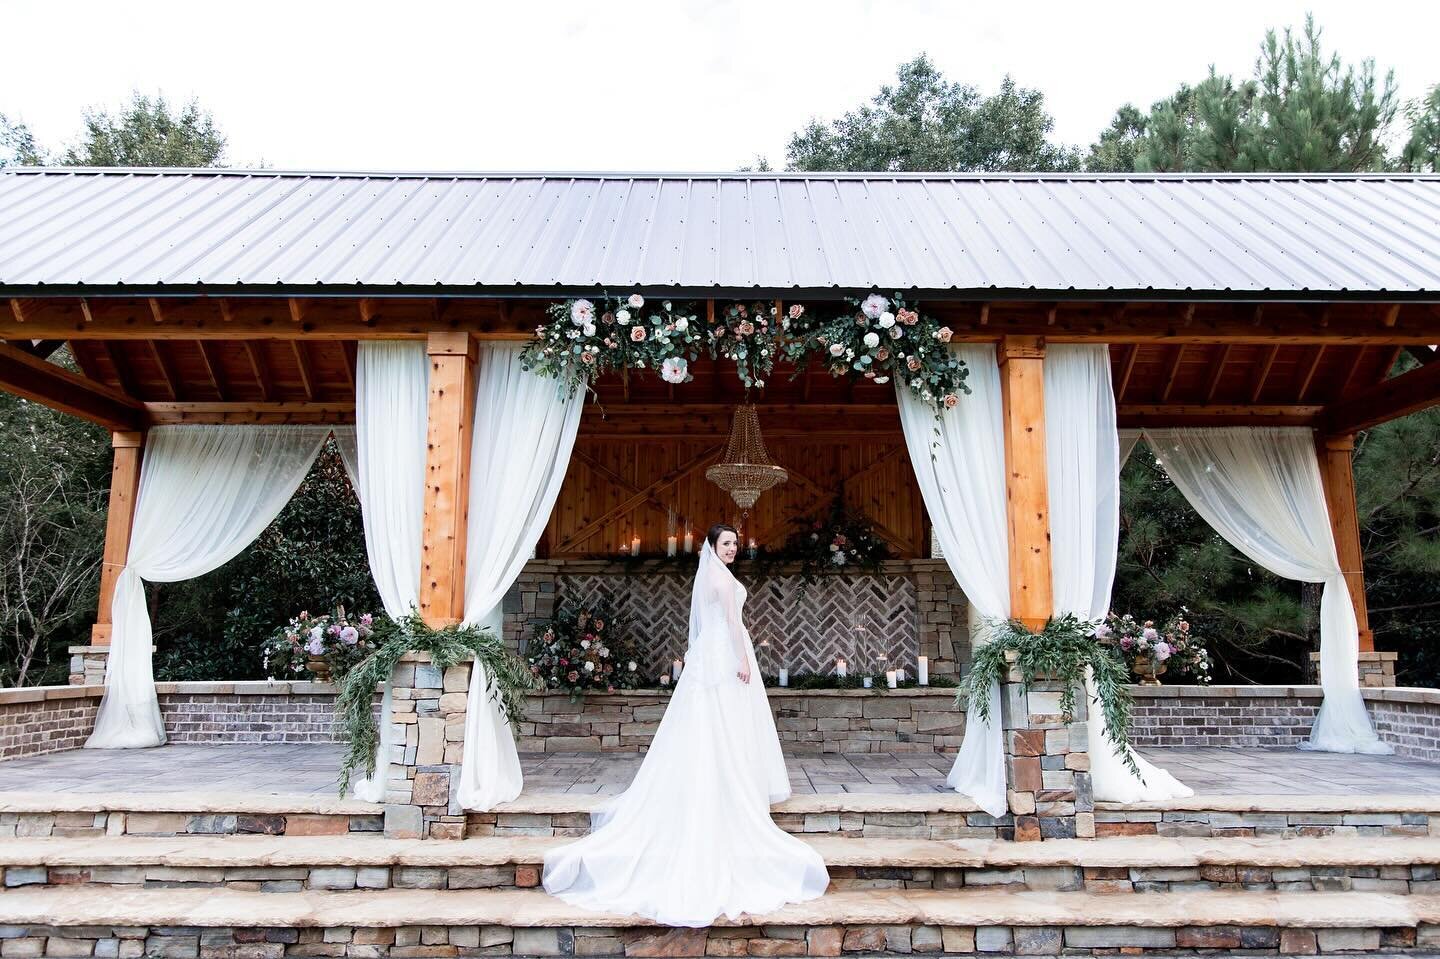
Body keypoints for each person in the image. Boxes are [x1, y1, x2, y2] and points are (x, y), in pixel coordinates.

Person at [541, 524, 831, 927]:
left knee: (709, 722)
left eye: (734, 543)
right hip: (726, 653)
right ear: (712, 547)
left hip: (707, 655)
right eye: (725, 543)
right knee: (727, 723)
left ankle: (716, 776)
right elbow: (732, 623)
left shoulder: (709, 576)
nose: (732, 549)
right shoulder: (724, 581)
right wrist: (744, 661)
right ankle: (730, 784)